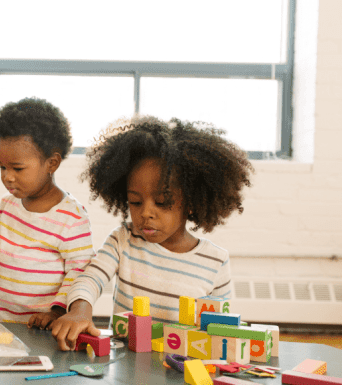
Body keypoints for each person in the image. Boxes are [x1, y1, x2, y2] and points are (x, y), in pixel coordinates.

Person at [50, 116, 254, 350]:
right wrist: (80, 311)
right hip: (125, 363)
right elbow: (91, 278)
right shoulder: (124, 240)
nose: (146, 212)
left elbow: (220, 329)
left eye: (162, 201)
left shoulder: (215, 262)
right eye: (135, 202)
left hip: (178, 366)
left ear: (191, 201)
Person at [0, 97, 96, 326]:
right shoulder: (8, 204)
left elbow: (80, 272)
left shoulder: (72, 217)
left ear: (52, 163)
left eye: (17, 168)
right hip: (1, 320)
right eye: (2, 167)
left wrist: (57, 313)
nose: (7, 176)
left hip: (44, 326)